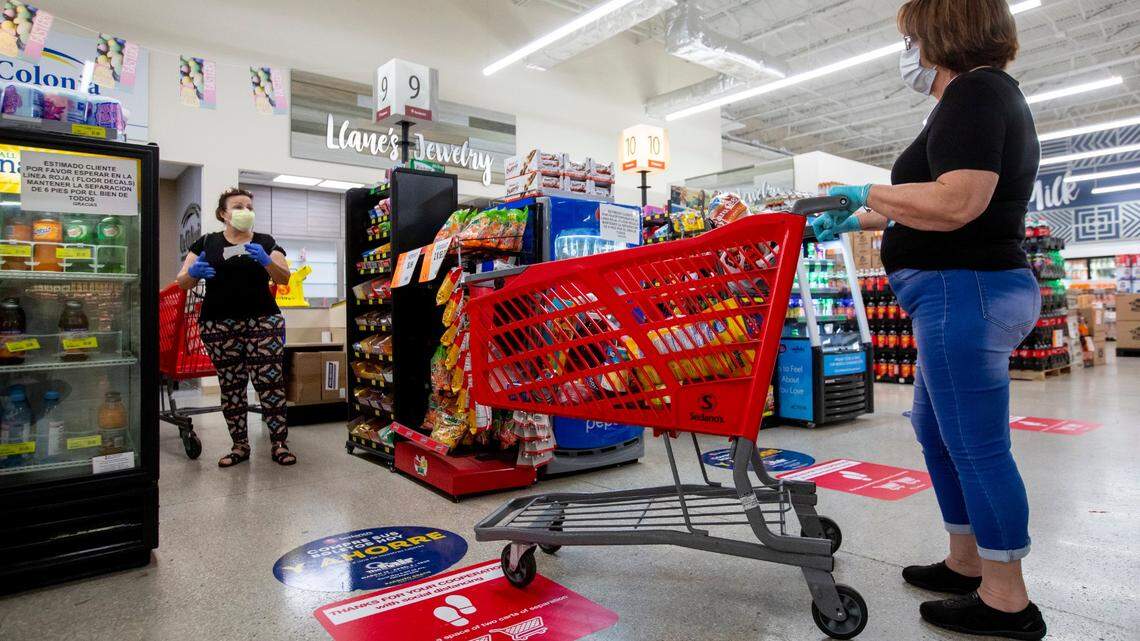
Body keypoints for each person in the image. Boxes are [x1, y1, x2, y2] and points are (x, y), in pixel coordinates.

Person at [812, 1, 1046, 638]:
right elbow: (930, 201)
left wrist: (863, 192)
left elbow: (956, 202)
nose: (907, 47)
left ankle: (1007, 601)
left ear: (938, 33)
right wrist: (852, 219)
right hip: (957, 293)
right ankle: (967, 561)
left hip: (964, 290)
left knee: (975, 443)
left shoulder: (975, 93)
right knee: (937, 431)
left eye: (910, 35)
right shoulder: (977, 99)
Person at [176, 188, 296, 467]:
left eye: (249, 206)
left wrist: (266, 261)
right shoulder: (207, 243)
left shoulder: (266, 242)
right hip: (218, 322)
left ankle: (279, 443)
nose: (246, 211)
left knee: (270, 384)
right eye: (238, 206)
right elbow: (182, 280)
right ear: (223, 213)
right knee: (231, 385)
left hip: (263, 320)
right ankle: (239, 445)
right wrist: (193, 274)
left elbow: (284, 275)